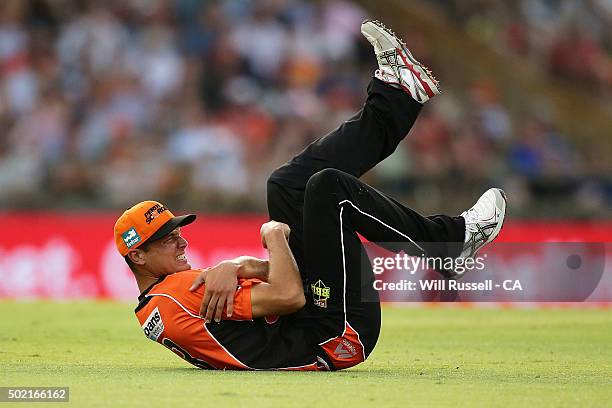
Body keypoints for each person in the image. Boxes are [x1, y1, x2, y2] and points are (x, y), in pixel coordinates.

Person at [114, 20, 507, 371]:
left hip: (317, 317)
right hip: (335, 334)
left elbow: (278, 285)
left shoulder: (165, 298)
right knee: (328, 189)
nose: (181, 239)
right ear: (138, 255)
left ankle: (397, 94)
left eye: (175, 229)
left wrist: (241, 265)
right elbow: (288, 294)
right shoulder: (179, 292)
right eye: (166, 238)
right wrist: (274, 238)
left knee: (284, 185)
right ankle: (447, 244)